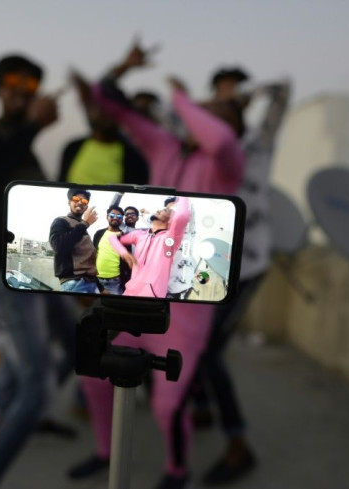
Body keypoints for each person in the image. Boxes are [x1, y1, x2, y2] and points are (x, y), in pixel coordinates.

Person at [68, 38, 245, 489]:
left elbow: (221, 138)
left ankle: (176, 471)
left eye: (211, 114)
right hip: (140, 292)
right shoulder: (165, 148)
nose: (200, 119)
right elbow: (111, 103)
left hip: (187, 310)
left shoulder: (227, 164)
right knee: (93, 373)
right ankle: (105, 452)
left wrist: (184, 98)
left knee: (169, 405)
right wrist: (124, 68)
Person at [0, 53, 78, 489]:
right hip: (8, 274)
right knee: (38, 384)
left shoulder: (25, 151)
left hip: (41, 269)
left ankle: (14, 416)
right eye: (12, 80)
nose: (20, 88)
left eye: (30, 84)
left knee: (72, 346)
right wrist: (33, 125)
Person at [191, 66, 293, 485]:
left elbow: (284, 90)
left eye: (234, 95)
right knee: (196, 340)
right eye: (220, 95)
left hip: (246, 264)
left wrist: (247, 92)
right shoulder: (207, 145)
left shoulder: (258, 141)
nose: (226, 100)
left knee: (209, 347)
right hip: (208, 260)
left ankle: (238, 444)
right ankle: (200, 403)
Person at [58, 71, 149, 186]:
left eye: (108, 107)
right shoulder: (72, 148)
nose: (101, 113)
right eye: (96, 106)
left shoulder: (134, 160)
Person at [110, 196, 191, 298]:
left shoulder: (171, 239)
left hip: (153, 297)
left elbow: (182, 216)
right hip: (129, 292)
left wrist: (183, 193)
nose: (158, 210)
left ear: (171, 220)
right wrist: (124, 253)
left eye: (165, 210)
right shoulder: (139, 234)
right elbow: (113, 238)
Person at [49, 188, 100, 293]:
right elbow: (58, 246)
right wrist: (85, 224)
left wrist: (101, 288)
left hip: (90, 282)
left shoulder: (83, 227)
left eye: (84, 201)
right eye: (76, 199)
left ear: (86, 206)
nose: (80, 202)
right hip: (74, 283)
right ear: (69, 202)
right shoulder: (61, 221)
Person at [92, 205, 130, 295]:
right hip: (97, 281)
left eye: (119, 216)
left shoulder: (125, 236)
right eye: (112, 215)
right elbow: (91, 255)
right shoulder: (99, 233)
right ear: (107, 217)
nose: (115, 218)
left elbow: (126, 261)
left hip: (116, 283)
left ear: (122, 219)